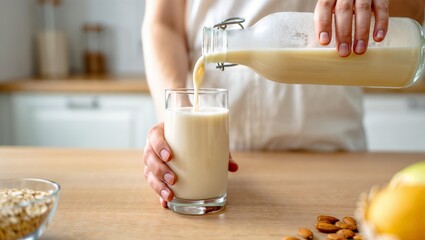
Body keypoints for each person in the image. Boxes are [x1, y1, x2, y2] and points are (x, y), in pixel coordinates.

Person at [141, 0, 425, 208]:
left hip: (332, 158)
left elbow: (414, 10)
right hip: (229, 170)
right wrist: (174, 119)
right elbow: (162, 23)